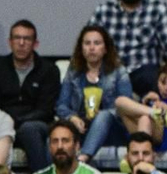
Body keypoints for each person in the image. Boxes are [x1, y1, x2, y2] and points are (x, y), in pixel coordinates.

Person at [56, 24, 155, 162]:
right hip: (81, 128)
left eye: (97, 43)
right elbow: (61, 105)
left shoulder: (118, 72)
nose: (91, 48)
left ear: (105, 49)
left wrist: (103, 114)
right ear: (81, 48)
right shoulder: (74, 72)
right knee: (56, 135)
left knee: (104, 116)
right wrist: (72, 117)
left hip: (112, 129)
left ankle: (82, 159)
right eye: (87, 43)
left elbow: (126, 108)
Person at [0, 19, 60, 174]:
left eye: (27, 39)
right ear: (10, 42)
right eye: (17, 38)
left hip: (36, 125)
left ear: (35, 44)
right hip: (2, 124)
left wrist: (16, 122)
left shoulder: (49, 70)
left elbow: (45, 109)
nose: (21, 43)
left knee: (29, 129)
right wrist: (6, 122)